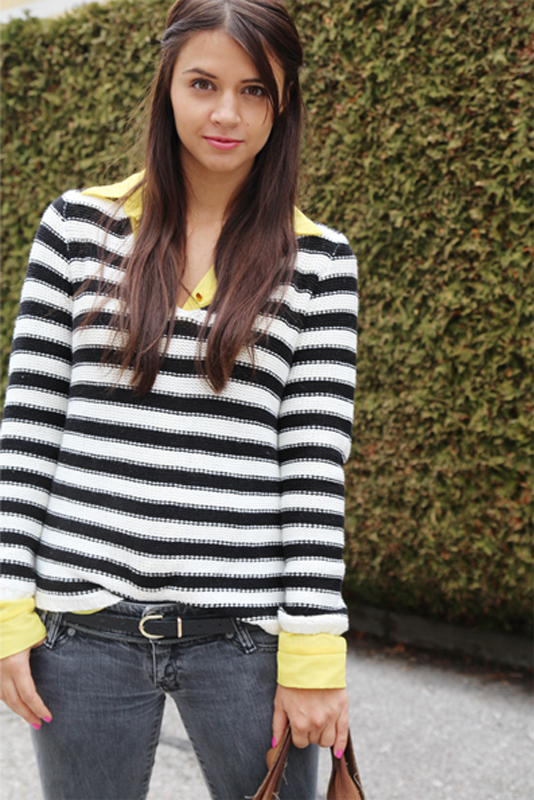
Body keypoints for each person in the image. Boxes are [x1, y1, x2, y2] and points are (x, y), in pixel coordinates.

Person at [0, 1, 358, 797]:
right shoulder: (75, 228)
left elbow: (312, 473)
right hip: (80, 636)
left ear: (284, 103)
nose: (227, 113)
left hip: (245, 642)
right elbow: (27, 435)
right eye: (204, 83)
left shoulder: (320, 262)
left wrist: (314, 654)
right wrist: (6, 608)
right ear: (167, 84)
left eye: (254, 90)